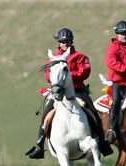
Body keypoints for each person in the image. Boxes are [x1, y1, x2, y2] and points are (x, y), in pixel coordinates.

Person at [26, 27, 113, 159]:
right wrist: (59, 78)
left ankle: (102, 142)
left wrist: (67, 75)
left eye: (67, 41)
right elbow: (48, 75)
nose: (65, 44)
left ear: (72, 42)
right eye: (62, 42)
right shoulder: (54, 58)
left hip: (77, 91)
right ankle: (39, 144)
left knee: (93, 112)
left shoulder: (81, 57)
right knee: (46, 113)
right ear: (59, 43)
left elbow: (84, 72)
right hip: (58, 91)